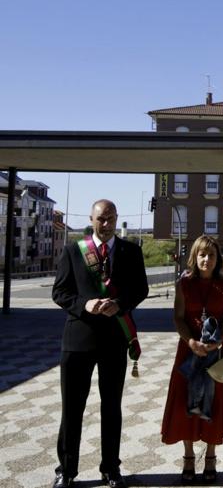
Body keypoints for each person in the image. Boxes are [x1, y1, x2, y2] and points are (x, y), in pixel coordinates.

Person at [51, 199, 149, 488]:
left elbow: (140, 289)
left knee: (112, 407)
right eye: (100, 219)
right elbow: (60, 292)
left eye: (110, 218)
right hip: (78, 340)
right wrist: (87, 304)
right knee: (72, 407)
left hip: (114, 340)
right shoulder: (73, 251)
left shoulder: (131, 251)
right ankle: (66, 470)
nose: (106, 224)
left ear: (117, 219)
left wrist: (119, 304)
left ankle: (111, 468)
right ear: (91, 219)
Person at [161, 235, 223, 484]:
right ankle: (188, 457)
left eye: (212, 255)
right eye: (202, 254)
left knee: (214, 403)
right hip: (188, 351)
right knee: (187, 404)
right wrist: (191, 343)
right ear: (195, 257)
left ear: (218, 259)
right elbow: (178, 318)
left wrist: (217, 341)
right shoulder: (184, 284)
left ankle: (211, 458)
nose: (207, 259)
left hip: (216, 352)